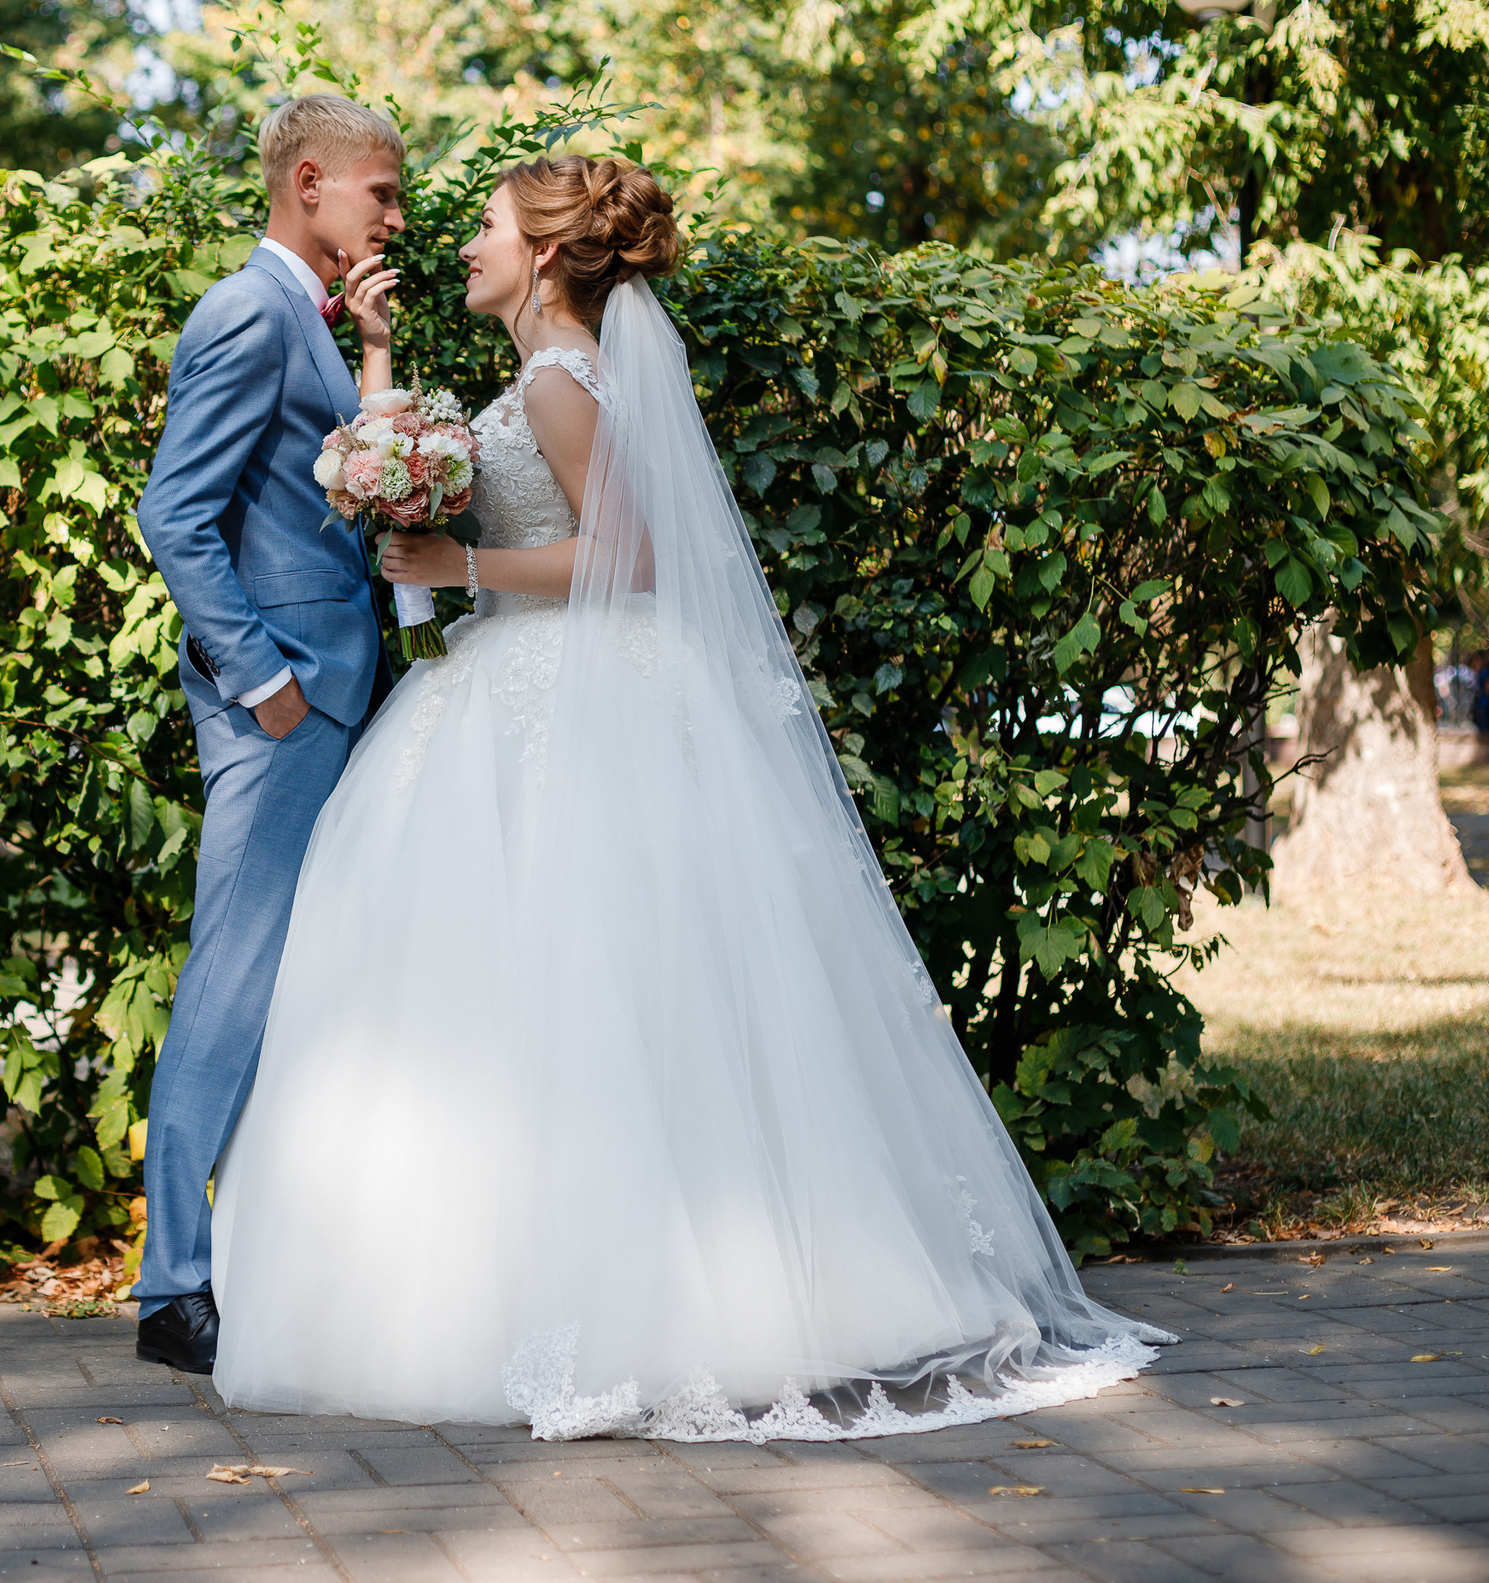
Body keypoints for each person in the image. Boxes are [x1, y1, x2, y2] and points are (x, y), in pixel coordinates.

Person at [206, 158, 1170, 1442]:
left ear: (546, 255)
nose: (464, 247)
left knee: (579, 993)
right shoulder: (538, 372)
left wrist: (465, 559)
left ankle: (626, 1304)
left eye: (487, 228)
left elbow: (630, 555)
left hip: (565, 691)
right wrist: (380, 371)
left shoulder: (556, 377)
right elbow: (443, 502)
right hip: (525, 678)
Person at [127, 93, 406, 1375]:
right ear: (310, 182)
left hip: (336, 684)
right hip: (284, 697)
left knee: (296, 974)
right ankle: (171, 1291)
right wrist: (261, 681)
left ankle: (254, 1256)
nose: (397, 216)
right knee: (232, 978)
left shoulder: (311, 312)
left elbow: (309, 487)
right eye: (382, 195)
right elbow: (175, 514)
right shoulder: (244, 308)